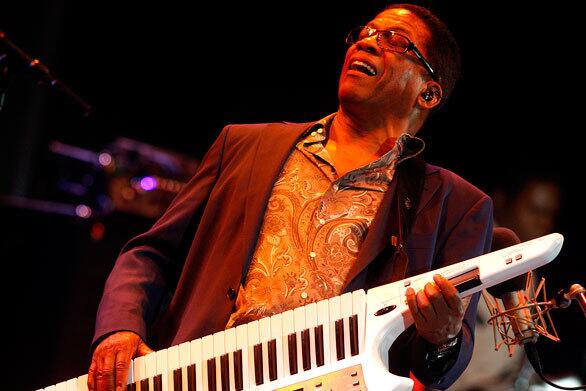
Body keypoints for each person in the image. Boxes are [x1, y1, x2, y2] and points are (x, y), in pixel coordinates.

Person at [87, 3, 494, 391]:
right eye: (366, 33)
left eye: (396, 41)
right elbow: (151, 253)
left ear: (428, 93)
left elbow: (441, 368)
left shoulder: (457, 206)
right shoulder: (244, 145)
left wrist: (443, 338)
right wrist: (120, 327)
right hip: (205, 375)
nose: (368, 42)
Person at [451, 173, 563, 391]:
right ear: (502, 202)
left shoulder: (528, 267)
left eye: (550, 214)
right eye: (535, 210)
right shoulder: (469, 253)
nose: (544, 222)